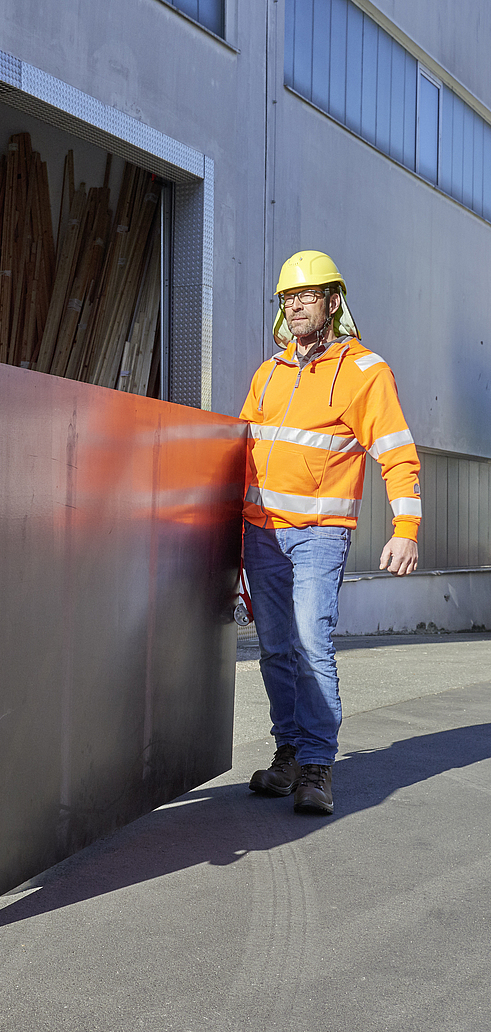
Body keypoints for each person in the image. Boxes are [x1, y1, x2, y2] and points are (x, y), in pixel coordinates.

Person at [240, 250, 420, 816]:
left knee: (311, 643)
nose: (294, 305)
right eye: (287, 298)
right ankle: (288, 753)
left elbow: (397, 454)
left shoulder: (366, 373)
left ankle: (319, 765)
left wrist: (406, 527)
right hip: (261, 534)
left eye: (306, 295)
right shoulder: (268, 372)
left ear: (333, 301)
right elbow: (238, 455)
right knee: (273, 648)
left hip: (319, 536)